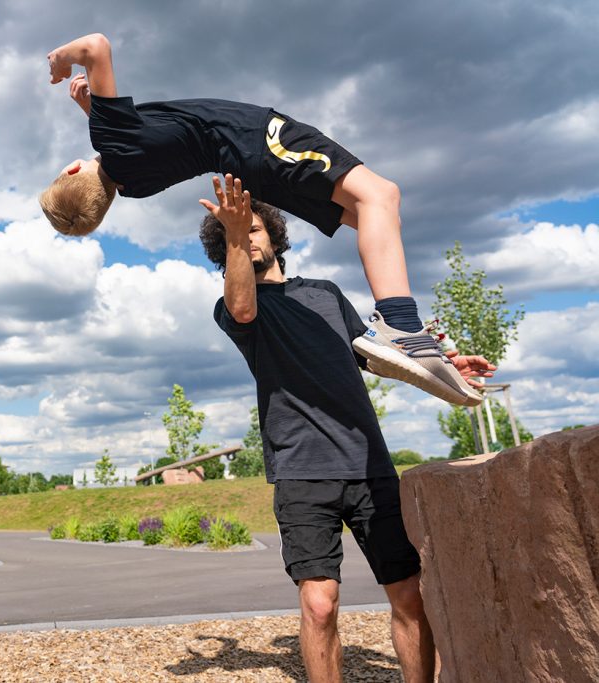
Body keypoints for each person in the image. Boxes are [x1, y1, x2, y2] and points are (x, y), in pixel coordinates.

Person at [41, 32, 482, 406]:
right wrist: (62, 62)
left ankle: (421, 348)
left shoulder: (134, 183)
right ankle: (402, 326)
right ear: (72, 169)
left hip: (255, 172)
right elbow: (96, 46)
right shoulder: (111, 140)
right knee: (381, 196)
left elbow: (143, 147)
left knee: (373, 216)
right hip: (261, 141)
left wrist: (92, 108)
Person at [200, 174, 496, 683]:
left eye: (252, 229)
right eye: (235, 234)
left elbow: (378, 357)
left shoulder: (325, 294)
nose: (247, 238)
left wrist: (443, 363)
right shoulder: (233, 307)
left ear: (273, 234)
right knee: (320, 605)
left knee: (408, 594)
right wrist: (231, 234)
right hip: (301, 474)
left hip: (369, 465)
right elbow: (244, 305)